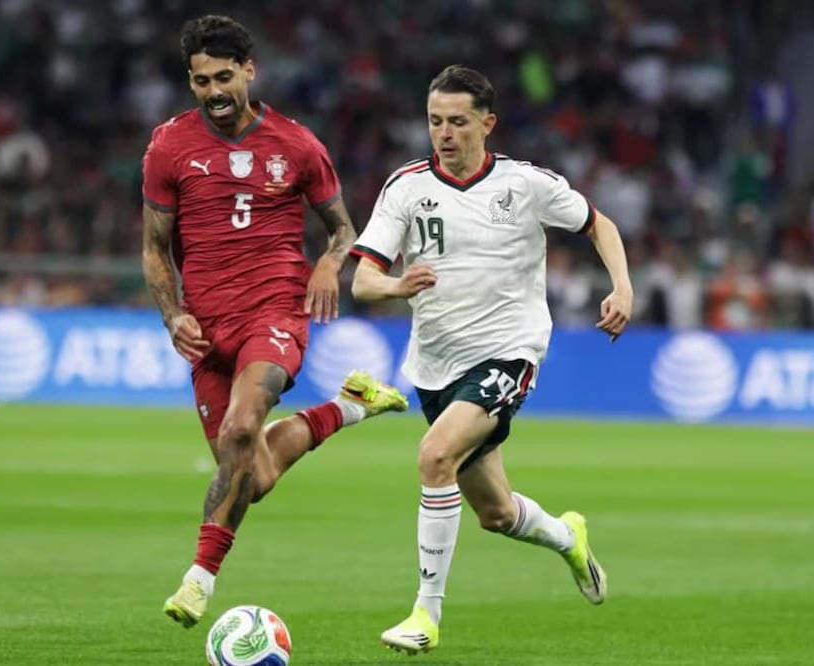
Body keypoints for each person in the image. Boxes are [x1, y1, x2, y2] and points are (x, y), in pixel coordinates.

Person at [350, 65, 633, 654]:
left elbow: (597, 224)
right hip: (435, 365)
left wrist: (622, 287)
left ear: (487, 123)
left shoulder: (526, 185)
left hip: (510, 350)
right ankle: (568, 537)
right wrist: (397, 286)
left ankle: (425, 616)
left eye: (457, 121)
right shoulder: (404, 187)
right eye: (434, 121)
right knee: (497, 515)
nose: (444, 133)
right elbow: (364, 282)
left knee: (434, 457)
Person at [141, 15, 408, 630]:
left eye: (224, 77)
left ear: (250, 71)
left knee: (240, 430)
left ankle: (197, 581)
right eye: (201, 80)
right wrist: (172, 313)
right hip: (206, 328)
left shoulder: (297, 145)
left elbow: (344, 227)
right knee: (251, 475)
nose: (213, 91)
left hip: (275, 310)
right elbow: (155, 246)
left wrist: (328, 266)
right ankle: (347, 407)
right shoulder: (168, 146)